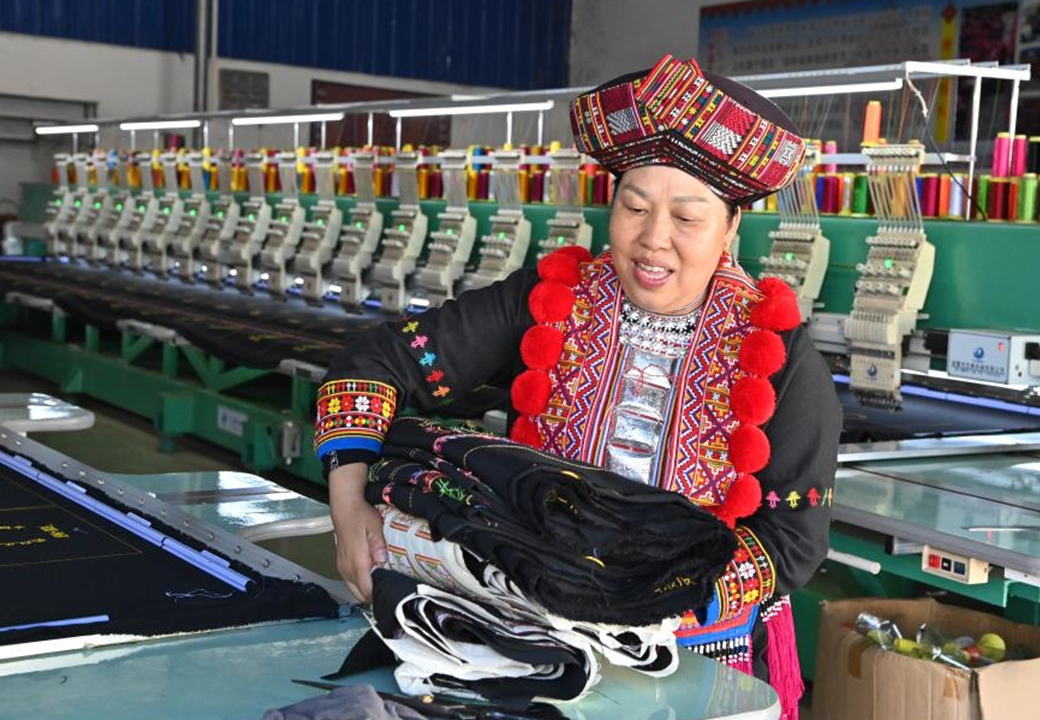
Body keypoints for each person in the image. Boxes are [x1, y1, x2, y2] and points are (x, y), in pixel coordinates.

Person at [315, 54, 841, 716]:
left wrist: (652, 599)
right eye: (634, 207)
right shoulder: (552, 299)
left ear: (732, 226)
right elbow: (377, 361)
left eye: (687, 218)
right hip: (542, 640)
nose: (653, 241)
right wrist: (349, 508)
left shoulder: (778, 349)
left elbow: (794, 536)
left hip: (699, 662)